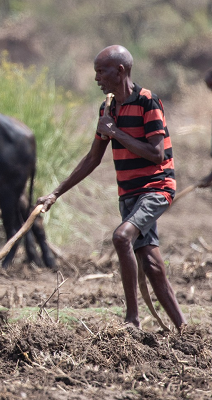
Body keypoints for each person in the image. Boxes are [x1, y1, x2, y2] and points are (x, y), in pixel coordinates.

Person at [37, 45, 187, 332]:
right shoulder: (108, 108)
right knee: (153, 266)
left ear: (120, 71)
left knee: (121, 238)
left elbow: (156, 154)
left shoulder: (147, 102)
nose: (96, 79)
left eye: (100, 72)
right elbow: (93, 158)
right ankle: (184, 328)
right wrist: (56, 193)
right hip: (128, 194)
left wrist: (115, 132)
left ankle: (132, 319)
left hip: (156, 188)